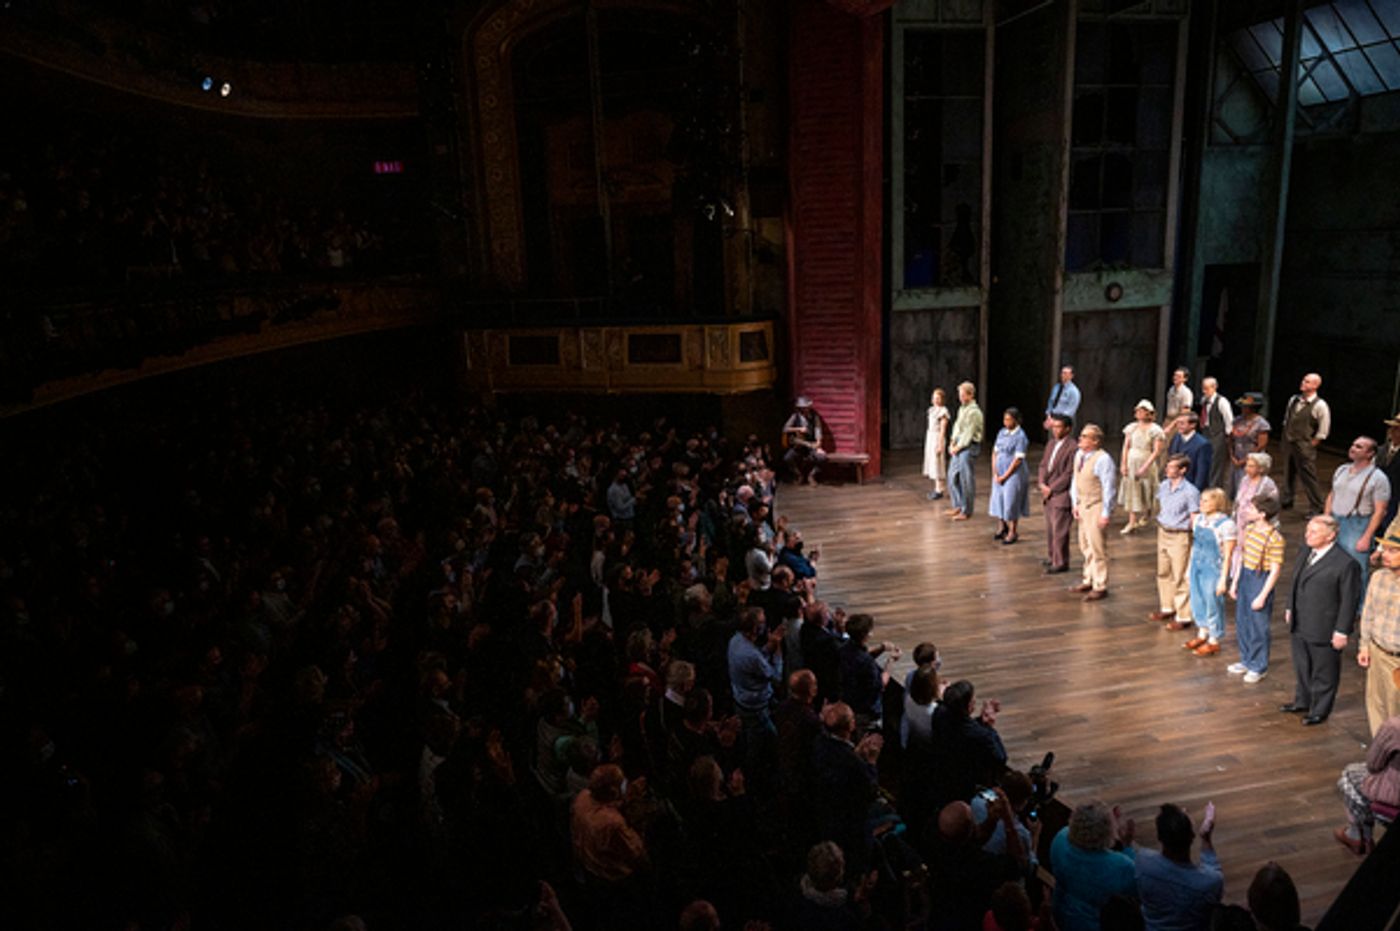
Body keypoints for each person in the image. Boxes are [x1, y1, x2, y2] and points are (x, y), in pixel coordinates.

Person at [1283, 515, 1363, 725]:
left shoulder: (1346, 564)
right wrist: (1290, 606)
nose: (1307, 535)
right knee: (1302, 665)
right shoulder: (1305, 551)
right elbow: (1295, 581)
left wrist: (1342, 630)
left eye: (1314, 532)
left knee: (1324, 671)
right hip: (1301, 621)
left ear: (1330, 536)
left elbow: (1349, 600)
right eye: (1307, 530)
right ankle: (1303, 700)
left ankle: (1320, 709)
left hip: (1324, 626)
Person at [1324, 436, 1391, 611]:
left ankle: (1361, 607)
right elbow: (1332, 494)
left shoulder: (1378, 478)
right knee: (1333, 563)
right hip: (1336, 520)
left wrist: (1367, 536)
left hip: (1357, 524)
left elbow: (1380, 510)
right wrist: (1326, 518)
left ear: (1370, 453)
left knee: (1357, 568)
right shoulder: (1342, 470)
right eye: (1353, 445)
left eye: (1359, 447)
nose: (1353, 448)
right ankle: (1338, 601)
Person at [1050, 800, 1137, 931]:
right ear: (1107, 832)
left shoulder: (1060, 840)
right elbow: (1136, 888)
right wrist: (1127, 846)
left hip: (1060, 913)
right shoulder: (1120, 866)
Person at [1134, 803, 1222, 931]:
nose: (1185, 810)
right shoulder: (1209, 883)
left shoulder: (1143, 862)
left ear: (1159, 837)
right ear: (1192, 836)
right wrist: (1206, 838)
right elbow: (1213, 873)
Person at [1228, 493, 1285, 685]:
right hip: (1246, 575)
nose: (1247, 510)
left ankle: (1258, 666)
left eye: (1251, 508)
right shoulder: (1250, 529)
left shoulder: (1274, 538)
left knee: (1258, 625)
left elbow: (1275, 571)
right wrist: (1235, 582)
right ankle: (1246, 659)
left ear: (1262, 514)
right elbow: (1243, 557)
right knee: (1242, 621)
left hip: (1260, 579)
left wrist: (1262, 596)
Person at [1333, 713, 1400, 856]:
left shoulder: (1395, 726)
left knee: (1348, 776)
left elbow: (1373, 765)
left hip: (1395, 795)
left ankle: (1357, 836)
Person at [1357, 521, 1400, 736]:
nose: (1385, 554)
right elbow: (1368, 613)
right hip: (1377, 651)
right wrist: (1364, 645)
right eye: (1385, 549)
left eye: (1393, 551)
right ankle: (1380, 751)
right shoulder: (1378, 577)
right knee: (1376, 705)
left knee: (1395, 711)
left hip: (1397, 659)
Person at [1183, 488, 1236, 657]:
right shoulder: (1199, 519)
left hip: (1213, 568)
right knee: (1197, 600)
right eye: (1201, 500)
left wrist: (1223, 579)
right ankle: (1202, 633)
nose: (1201, 503)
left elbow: (1228, 555)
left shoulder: (1226, 525)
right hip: (1197, 565)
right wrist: (1188, 569)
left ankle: (1214, 639)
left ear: (1216, 503)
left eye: (1206, 500)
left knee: (1212, 602)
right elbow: (1195, 545)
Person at [1149, 455, 1199, 632]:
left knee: (1180, 575)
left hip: (1180, 535)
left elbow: (1194, 516)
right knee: (1163, 572)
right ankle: (1167, 606)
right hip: (1163, 531)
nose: (1167, 470)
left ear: (1182, 470)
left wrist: (1195, 537)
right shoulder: (1164, 486)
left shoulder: (1190, 491)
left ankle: (1184, 615)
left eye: (1171, 467)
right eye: (1168, 466)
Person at [1071, 424, 1118, 602]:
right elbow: (1075, 481)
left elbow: (1109, 488)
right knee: (1085, 544)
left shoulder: (1103, 459)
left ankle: (1100, 584)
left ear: (1095, 441)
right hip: (1083, 504)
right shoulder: (1079, 455)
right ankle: (1088, 578)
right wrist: (1075, 503)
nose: (1080, 439)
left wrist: (1106, 513)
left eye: (1085, 436)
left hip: (1096, 505)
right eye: (1081, 435)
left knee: (1097, 546)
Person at [1279, 373, 1331, 515]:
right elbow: (1288, 419)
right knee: (1288, 472)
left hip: (1304, 444)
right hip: (1289, 441)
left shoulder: (1320, 405)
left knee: (1308, 476)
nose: (1303, 383)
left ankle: (1317, 506)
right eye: (1303, 380)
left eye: (1307, 382)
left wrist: (1312, 444)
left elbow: (1323, 430)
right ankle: (1287, 499)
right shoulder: (1294, 399)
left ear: (1315, 386)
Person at [1118, 400, 1166, 535]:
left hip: (1146, 460)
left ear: (1149, 413)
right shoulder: (1132, 428)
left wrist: (1145, 467)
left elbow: (1156, 451)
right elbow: (1126, 446)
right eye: (1138, 411)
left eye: (1143, 411)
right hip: (1132, 461)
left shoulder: (1155, 430)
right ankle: (1132, 522)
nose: (1139, 413)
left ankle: (1147, 513)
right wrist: (1123, 464)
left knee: (1147, 489)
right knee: (1132, 490)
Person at [1229, 452, 1279, 576]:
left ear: (1261, 468)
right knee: (1238, 546)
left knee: (1250, 549)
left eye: (1251, 466)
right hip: (1241, 520)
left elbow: (1272, 507)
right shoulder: (1245, 479)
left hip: (1255, 522)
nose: (1247, 468)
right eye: (1247, 465)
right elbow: (1238, 500)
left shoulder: (1267, 484)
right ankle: (1236, 575)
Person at [1039, 413, 1076, 575]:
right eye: (1053, 427)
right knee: (1051, 529)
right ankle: (1052, 556)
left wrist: (1052, 488)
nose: (1055, 430)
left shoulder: (1072, 447)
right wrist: (1042, 483)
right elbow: (1043, 465)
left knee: (1060, 531)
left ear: (1068, 429)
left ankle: (1060, 562)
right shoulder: (1051, 444)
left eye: (1059, 427)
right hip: (1048, 493)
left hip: (1061, 494)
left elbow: (1068, 473)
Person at [989, 407, 1030, 545]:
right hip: (999, 471)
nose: (1006, 422)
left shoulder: (1020, 436)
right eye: (1005, 419)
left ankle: (1013, 531)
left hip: (1013, 473)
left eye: (1009, 419)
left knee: (1011, 501)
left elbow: (1018, 459)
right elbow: (995, 452)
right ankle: (1002, 527)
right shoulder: (1002, 433)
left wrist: (1005, 476)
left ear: (1016, 420)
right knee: (998, 499)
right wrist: (995, 472)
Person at [947, 381, 985, 522]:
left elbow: (969, 433)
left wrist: (957, 447)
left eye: (963, 395)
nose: (961, 397)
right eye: (960, 395)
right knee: (952, 476)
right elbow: (957, 426)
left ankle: (966, 510)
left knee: (965, 479)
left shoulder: (974, 412)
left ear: (970, 395)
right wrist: (952, 441)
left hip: (969, 447)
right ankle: (957, 505)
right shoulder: (962, 409)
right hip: (958, 445)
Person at [1227, 393, 1270, 500]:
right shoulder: (1237, 420)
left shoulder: (1261, 423)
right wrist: (1232, 455)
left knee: (1248, 487)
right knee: (1235, 486)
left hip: (1252, 458)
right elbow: (1231, 438)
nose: (1243, 409)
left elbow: (1261, 444)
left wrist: (1245, 460)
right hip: (1237, 456)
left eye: (1245, 407)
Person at [1198, 377, 1233, 491]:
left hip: (1218, 434)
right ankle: (1205, 485)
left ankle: (1214, 488)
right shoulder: (1204, 400)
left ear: (1214, 387)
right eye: (1203, 388)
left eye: (1207, 388)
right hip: (1205, 432)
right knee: (1205, 459)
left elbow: (1229, 420)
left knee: (1216, 462)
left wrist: (1227, 436)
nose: (1204, 391)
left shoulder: (1222, 401)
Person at [782, 396, 827, 485]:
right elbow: (785, 429)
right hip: (798, 445)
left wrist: (818, 443)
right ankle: (798, 475)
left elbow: (818, 430)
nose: (805, 410)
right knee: (787, 458)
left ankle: (812, 475)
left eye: (806, 407)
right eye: (803, 408)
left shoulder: (814, 417)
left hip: (811, 444)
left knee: (822, 458)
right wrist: (798, 429)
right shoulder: (795, 416)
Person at [1166, 411, 1211, 489]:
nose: (1179, 426)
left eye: (1182, 423)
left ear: (1193, 425)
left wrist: (1195, 491)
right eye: (1178, 423)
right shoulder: (1176, 438)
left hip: (1190, 486)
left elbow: (1202, 473)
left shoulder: (1203, 444)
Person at [924, 387, 951, 500]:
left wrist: (940, 444)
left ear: (942, 399)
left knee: (938, 462)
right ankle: (937, 487)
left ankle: (939, 489)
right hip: (930, 436)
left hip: (937, 437)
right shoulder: (931, 410)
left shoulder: (943, 411)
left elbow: (943, 429)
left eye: (938, 398)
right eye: (934, 398)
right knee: (932, 462)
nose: (936, 400)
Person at [1379, 412, 1400, 531]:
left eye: (1397, 429)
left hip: (1394, 503)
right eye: (1392, 428)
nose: (1392, 431)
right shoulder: (1380, 450)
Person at [1045, 365, 1082, 431]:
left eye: (1065, 373)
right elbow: (1051, 402)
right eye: (1062, 373)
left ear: (1071, 376)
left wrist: (1058, 422)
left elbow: (1071, 410)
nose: (1063, 375)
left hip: (1064, 422)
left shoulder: (1074, 391)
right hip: (1052, 419)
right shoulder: (1056, 387)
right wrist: (1048, 417)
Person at [1164, 367, 1193, 436]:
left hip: (1178, 422)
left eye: (1179, 376)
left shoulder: (1186, 393)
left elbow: (1185, 412)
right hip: (1168, 419)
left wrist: (1171, 426)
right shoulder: (1171, 389)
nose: (1175, 378)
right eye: (1175, 375)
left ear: (1184, 379)